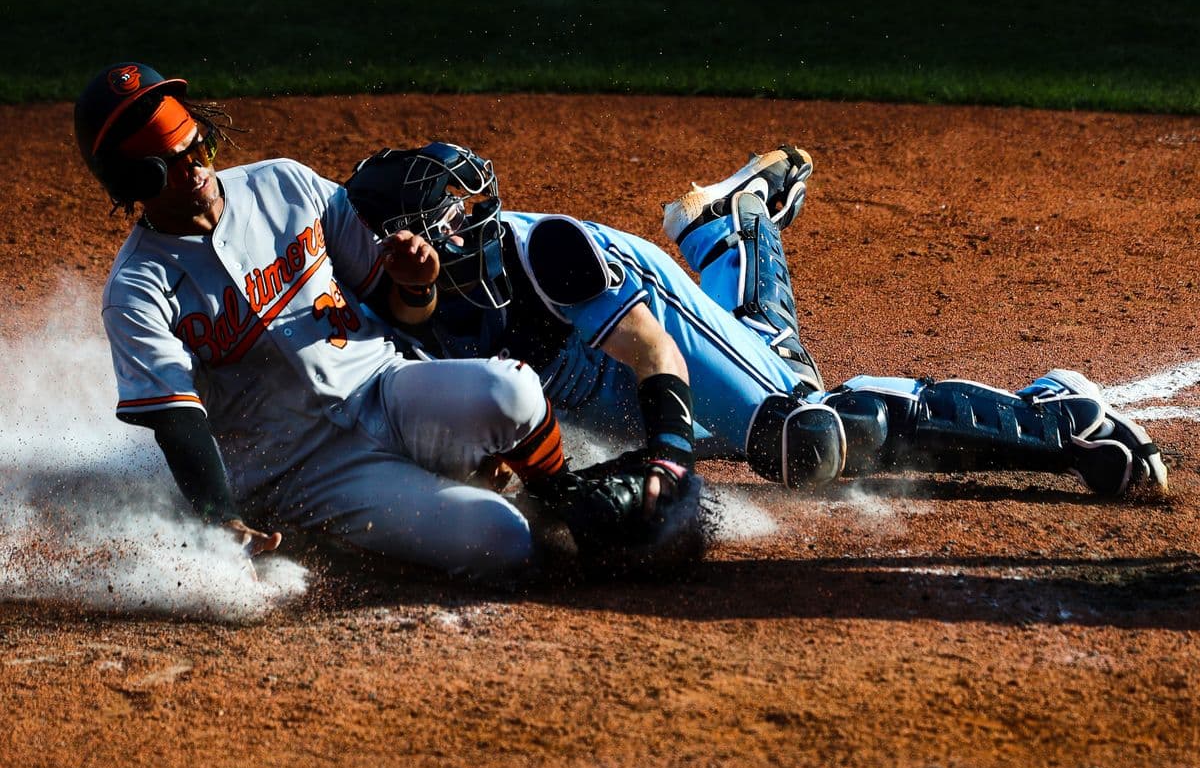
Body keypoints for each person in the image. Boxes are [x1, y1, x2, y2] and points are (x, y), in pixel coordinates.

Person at [75, 62, 695, 581]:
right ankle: (328, 538)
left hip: (385, 389)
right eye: (172, 165)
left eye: (199, 147)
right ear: (135, 183)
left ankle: (564, 499)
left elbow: (406, 315)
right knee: (503, 542)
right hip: (303, 471)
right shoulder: (136, 290)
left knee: (514, 388)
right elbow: (179, 424)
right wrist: (220, 522)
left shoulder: (285, 185)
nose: (197, 168)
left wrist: (416, 284)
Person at [343, 141, 1169, 501]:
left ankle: (1060, 415)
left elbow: (649, 346)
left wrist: (666, 459)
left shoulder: (549, 252)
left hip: (651, 321)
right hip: (601, 387)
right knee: (773, 366)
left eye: (452, 214)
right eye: (434, 220)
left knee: (802, 435)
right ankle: (729, 222)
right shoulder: (381, 306)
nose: (454, 231)